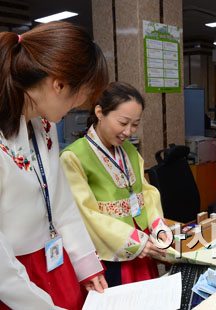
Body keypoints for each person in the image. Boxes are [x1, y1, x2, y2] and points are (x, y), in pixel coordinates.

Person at [0, 22, 109, 309]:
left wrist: (86, 265)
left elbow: (61, 204)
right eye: (78, 99)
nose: (77, 107)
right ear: (58, 84)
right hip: (12, 275)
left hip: (53, 259)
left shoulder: (44, 127)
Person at [60, 82, 171, 287]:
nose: (128, 131)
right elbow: (86, 214)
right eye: (123, 122)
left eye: (135, 124)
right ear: (100, 112)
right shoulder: (74, 157)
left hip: (142, 244)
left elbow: (145, 191)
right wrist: (135, 241)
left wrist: (157, 226)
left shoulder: (128, 150)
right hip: (113, 250)